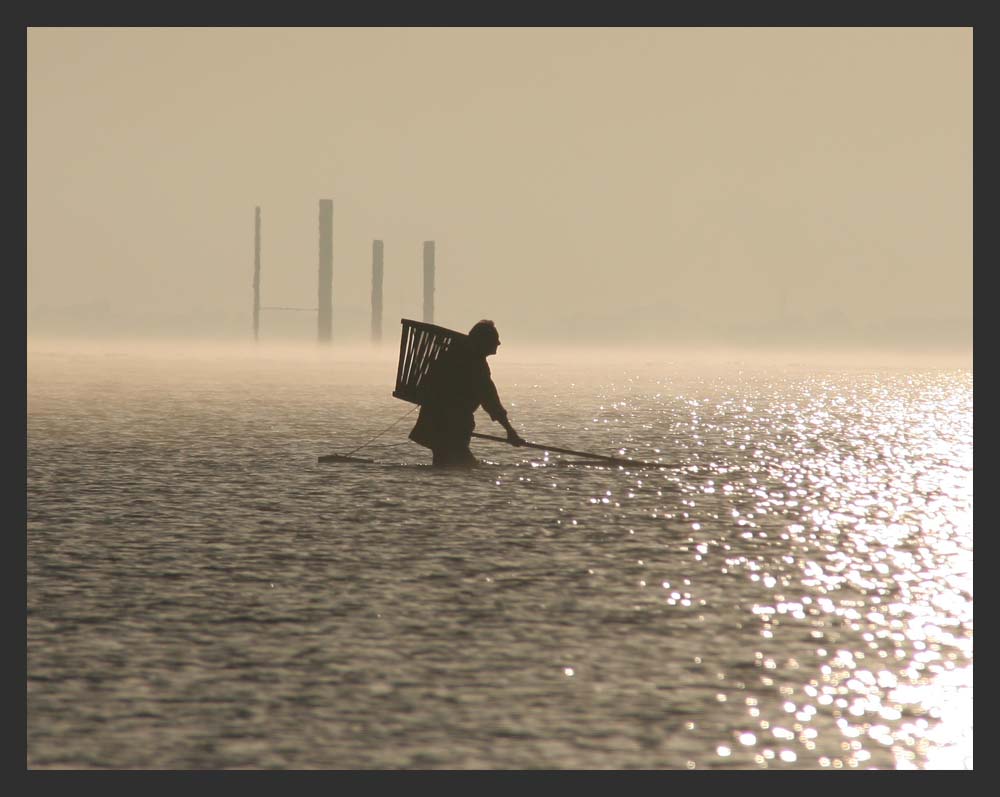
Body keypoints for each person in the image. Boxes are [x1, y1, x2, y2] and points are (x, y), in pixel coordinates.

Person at [409, 319, 525, 466]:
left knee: (443, 464)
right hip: (451, 425)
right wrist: (510, 431)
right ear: (483, 341)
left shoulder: (454, 353)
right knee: (463, 465)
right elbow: (490, 401)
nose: (499, 343)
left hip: (432, 421)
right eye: (495, 339)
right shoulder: (475, 365)